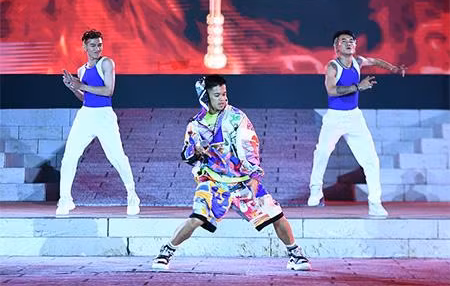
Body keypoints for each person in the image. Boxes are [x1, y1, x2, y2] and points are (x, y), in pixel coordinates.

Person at [152, 75, 310, 272]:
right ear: (205, 97)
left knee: (276, 215)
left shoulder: (237, 117)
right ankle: (166, 252)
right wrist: (196, 150)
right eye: (217, 95)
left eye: (224, 94)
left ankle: (295, 254)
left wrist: (254, 176)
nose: (222, 99)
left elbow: (250, 146)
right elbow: (186, 154)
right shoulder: (195, 125)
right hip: (213, 181)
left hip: (242, 181)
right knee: (197, 217)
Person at [307, 30, 406, 217]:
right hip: (335, 118)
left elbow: (375, 61)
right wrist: (358, 87)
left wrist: (393, 68)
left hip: (354, 118)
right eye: (344, 41)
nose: (349, 43)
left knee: (371, 160)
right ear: (336, 47)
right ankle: (316, 189)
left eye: (352, 41)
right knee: (322, 152)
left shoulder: (358, 61)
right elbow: (331, 91)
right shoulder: (333, 66)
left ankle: (375, 203)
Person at [56, 29, 140, 216]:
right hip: (85, 115)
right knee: (69, 157)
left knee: (116, 157)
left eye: (99, 45)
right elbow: (84, 97)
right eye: (93, 45)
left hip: (104, 115)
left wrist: (81, 85)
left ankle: (132, 195)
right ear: (84, 47)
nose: (97, 48)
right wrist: (73, 88)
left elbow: (108, 91)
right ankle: (65, 199)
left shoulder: (107, 63)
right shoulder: (81, 70)